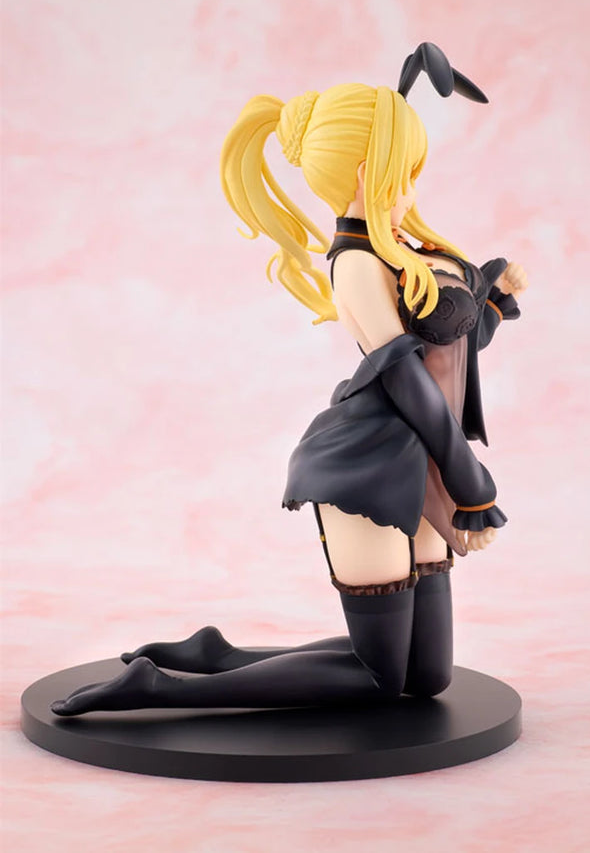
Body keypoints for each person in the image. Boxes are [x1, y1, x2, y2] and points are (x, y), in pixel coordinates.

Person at [50, 47, 528, 717]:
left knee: (426, 678)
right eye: (402, 174)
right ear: (363, 172)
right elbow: (402, 377)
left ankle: (216, 654)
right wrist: (470, 480)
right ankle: (160, 688)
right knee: (377, 677)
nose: (410, 191)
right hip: (372, 467)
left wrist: (492, 307)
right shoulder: (357, 264)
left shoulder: (404, 251)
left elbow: (443, 356)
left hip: (425, 461)